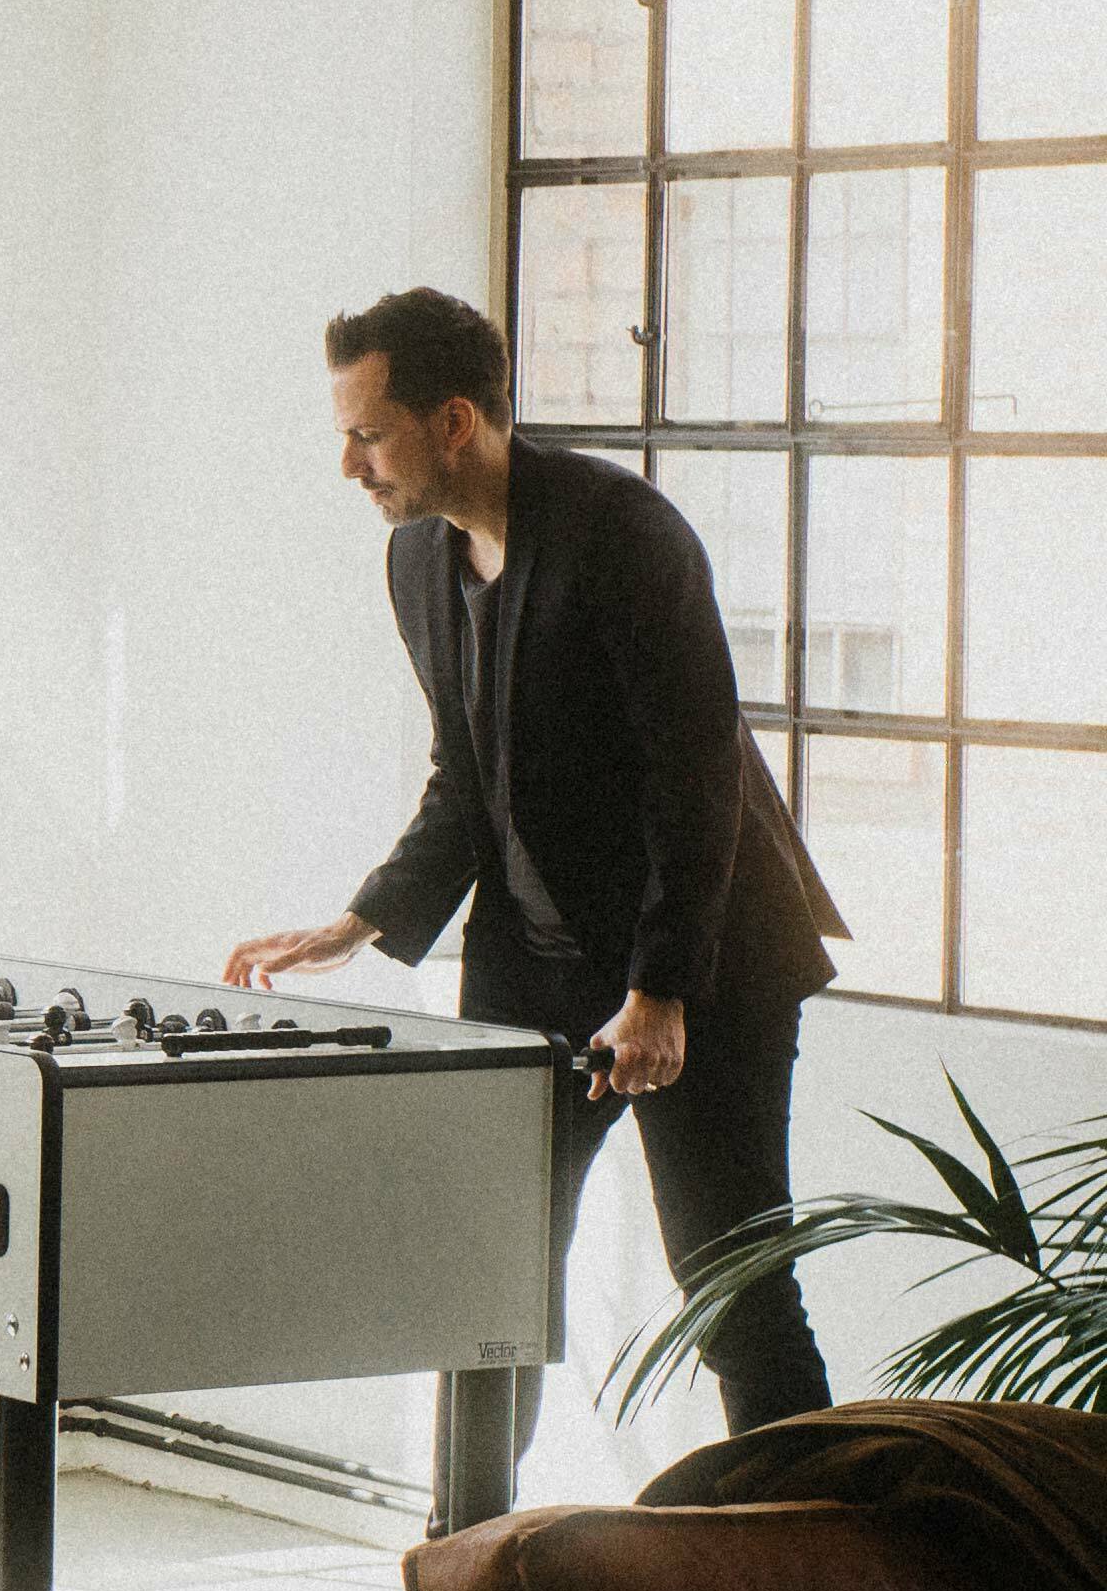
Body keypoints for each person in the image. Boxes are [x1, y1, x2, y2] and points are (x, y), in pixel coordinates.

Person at [229, 287, 844, 1453]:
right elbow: (467, 779)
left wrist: (660, 990)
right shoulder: (416, 561)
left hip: (704, 958)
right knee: (487, 1280)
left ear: (451, 420)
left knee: (731, 1283)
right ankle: (459, 1566)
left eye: (366, 434)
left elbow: (692, 777)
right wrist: (358, 920)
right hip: (531, 965)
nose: (348, 466)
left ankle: (817, 1558)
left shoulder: (624, 533)